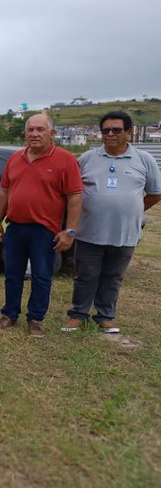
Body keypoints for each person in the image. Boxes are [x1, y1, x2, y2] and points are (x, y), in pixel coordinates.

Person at [61, 111, 161, 333]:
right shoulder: (87, 158)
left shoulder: (144, 159)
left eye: (116, 130)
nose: (110, 134)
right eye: (106, 130)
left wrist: (133, 209)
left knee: (113, 276)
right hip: (89, 231)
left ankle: (105, 316)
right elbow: (72, 191)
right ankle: (78, 314)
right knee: (85, 275)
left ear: (128, 132)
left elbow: (155, 193)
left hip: (124, 233)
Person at [0, 112, 83, 337]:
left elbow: (75, 197)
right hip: (15, 227)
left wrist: (69, 231)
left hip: (45, 230)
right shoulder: (15, 158)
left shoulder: (65, 159)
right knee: (12, 274)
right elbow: (4, 191)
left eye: (40, 129)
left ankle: (36, 319)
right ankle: (9, 314)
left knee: (41, 276)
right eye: (30, 130)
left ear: (52, 133)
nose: (34, 134)